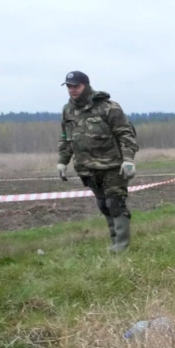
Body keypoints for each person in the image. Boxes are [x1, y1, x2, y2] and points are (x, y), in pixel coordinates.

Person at [57, 71, 139, 252]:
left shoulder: (108, 107)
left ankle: (121, 247)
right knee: (103, 204)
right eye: (69, 86)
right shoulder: (67, 110)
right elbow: (66, 138)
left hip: (113, 166)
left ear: (85, 86)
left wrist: (128, 160)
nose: (72, 90)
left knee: (115, 203)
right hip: (87, 167)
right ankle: (114, 241)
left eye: (76, 86)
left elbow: (126, 134)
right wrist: (63, 161)